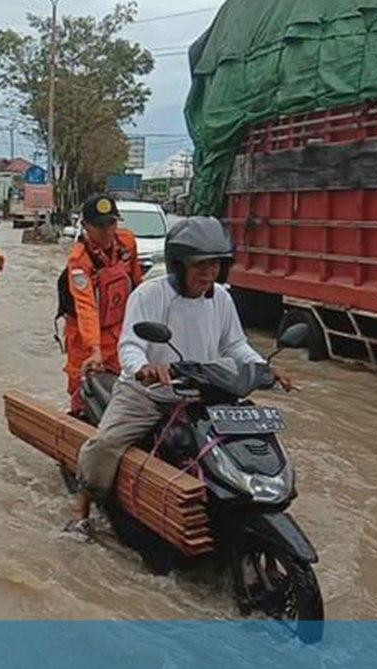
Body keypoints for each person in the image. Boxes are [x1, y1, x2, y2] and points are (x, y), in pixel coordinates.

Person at [66, 216, 296, 535]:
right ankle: (81, 506)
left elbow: (236, 344)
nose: (208, 273)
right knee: (106, 443)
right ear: (179, 265)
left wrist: (263, 368)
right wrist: (144, 368)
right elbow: (130, 345)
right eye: (199, 265)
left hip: (205, 390)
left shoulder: (221, 298)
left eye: (215, 264)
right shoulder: (150, 294)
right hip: (149, 394)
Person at [58, 194, 143, 418]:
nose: (106, 231)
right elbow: (86, 306)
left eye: (111, 223)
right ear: (85, 226)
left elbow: (137, 287)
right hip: (86, 340)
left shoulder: (127, 243)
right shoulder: (80, 261)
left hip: (120, 333)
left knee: (126, 391)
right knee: (81, 393)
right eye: (99, 226)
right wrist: (95, 350)